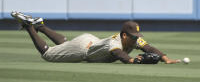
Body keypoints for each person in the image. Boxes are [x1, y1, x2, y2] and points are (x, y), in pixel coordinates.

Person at [11, 11, 181, 64]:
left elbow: (149, 48)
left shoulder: (132, 39)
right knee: (48, 54)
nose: (137, 39)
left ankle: (40, 25)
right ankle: (30, 27)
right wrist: (132, 60)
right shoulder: (116, 43)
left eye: (137, 36)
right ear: (124, 35)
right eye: (133, 36)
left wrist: (165, 58)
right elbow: (119, 54)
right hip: (82, 48)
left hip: (90, 40)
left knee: (65, 43)